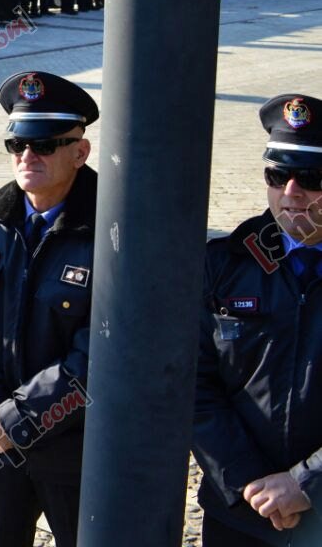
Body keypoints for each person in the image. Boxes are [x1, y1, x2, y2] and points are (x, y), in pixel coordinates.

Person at [0, 71, 100, 547]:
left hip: (73, 446)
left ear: (80, 151)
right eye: (17, 145)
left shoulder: (114, 227)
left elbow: (104, 343)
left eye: (45, 145)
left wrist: (23, 415)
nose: (27, 156)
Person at [193, 93, 322, 546]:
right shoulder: (224, 264)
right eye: (278, 174)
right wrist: (250, 482)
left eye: (310, 177)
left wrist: (306, 483)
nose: (291, 192)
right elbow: (195, 384)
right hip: (241, 512)